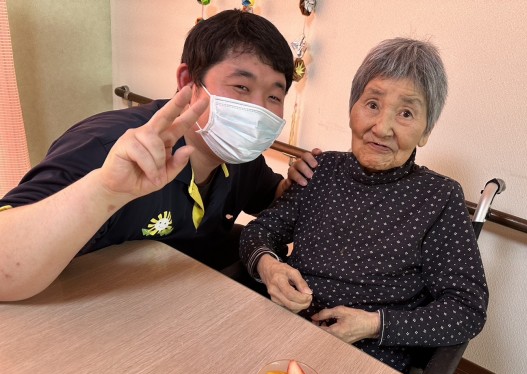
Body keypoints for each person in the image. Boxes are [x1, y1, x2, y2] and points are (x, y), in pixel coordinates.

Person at [0, 9, 313, 302]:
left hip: (174, 305)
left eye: (274, 96)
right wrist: (105, 190)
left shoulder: (240, 158)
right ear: (188, 82)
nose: (258, 110)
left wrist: (293, 185)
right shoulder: (105, 147)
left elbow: (269, 202)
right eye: (241, 87)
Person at [240, 38, 489, 374]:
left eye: (406, 113)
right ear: (352, 110)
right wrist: (269, 267)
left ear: (425, 131)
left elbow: (466, 310)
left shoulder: (439, 197)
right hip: (283, 331)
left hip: (367, 360)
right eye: (372, 104)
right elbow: (259, 231)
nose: (381, 128)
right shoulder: (320, 170)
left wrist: (374, 325)